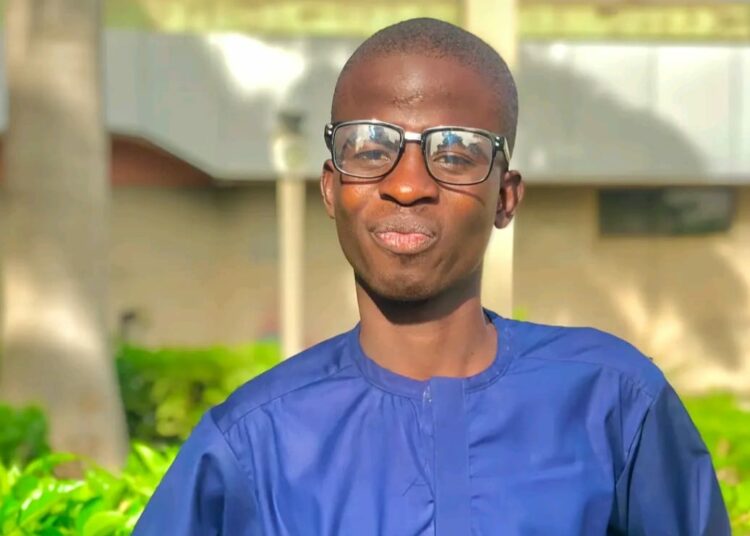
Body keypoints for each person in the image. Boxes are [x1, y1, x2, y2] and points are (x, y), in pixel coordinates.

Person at [133, 18, 730, 535]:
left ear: (505, 198)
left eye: (454, 154)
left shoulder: (613, 400)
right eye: (371, 149)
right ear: (332, 189)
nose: (408, 185)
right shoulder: (250, 442)